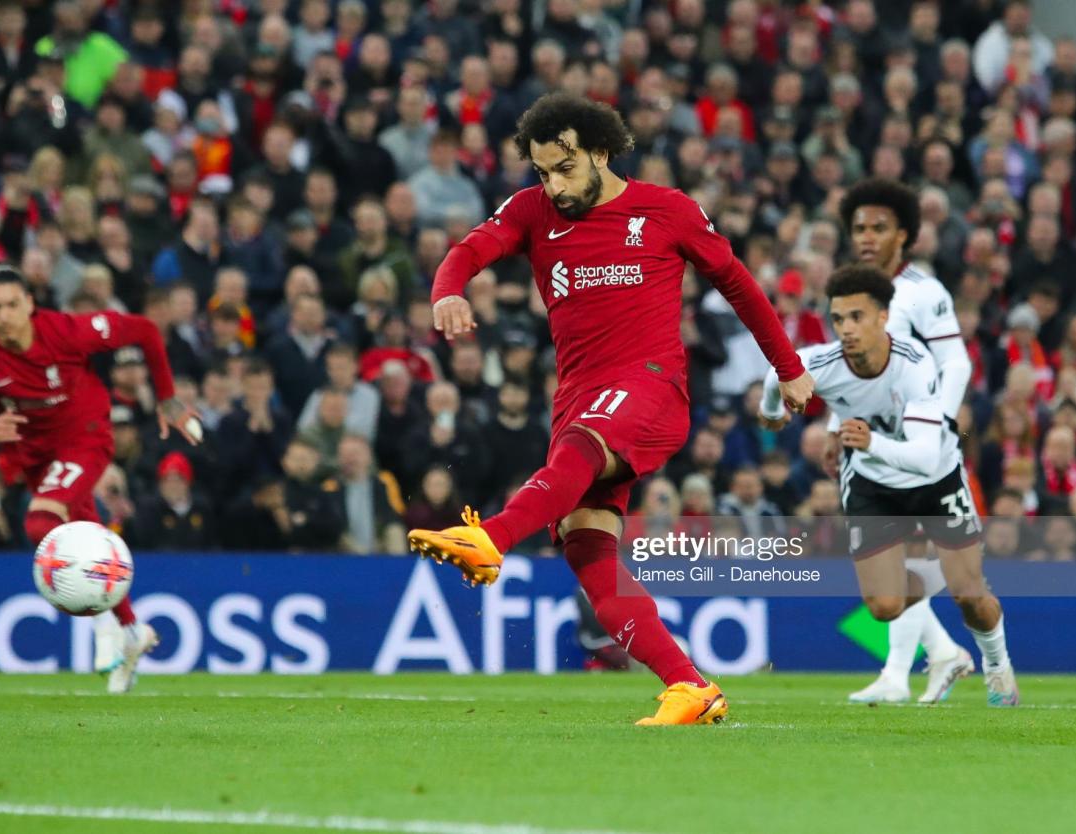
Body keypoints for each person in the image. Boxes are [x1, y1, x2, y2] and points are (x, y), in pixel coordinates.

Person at [407, 93, 815, 726]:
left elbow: (737, 283)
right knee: (585, 546)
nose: (554, 184)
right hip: (579, 395)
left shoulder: (666, 211)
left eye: (565, 168)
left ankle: (491, 536)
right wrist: (447, 291)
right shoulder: (532, 211)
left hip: (650, 387)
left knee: (582, 449)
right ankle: (690, 686)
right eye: (542, 171)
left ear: (600, 151)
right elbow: (466, 251)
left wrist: (788, 368)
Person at [761, 265, 1018, 707]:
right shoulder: (822, 362)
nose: (846, 329)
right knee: (883, 605)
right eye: (838, 319)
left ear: (883, 317)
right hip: (873, 485)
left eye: (857, 317)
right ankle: (944, 640)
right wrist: (771, 412)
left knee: (972, 598)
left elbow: (921, 456)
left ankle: (997, 667)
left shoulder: (915, 367)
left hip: (933, 479)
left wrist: (871, 441)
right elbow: (778, 373)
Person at [0, 266, 201, 694]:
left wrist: (168, 399)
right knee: (86, 532)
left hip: (85, 436)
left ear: (30, 305)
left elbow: (146, 330)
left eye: (11, 306)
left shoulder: (68, 331)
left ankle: (101, 626)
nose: (2, 316)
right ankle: (132, 630)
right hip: (34, 452)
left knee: (40, 524)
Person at [837, 177, 978, 704]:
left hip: (917, 446)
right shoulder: (851, 289)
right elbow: (854, 373)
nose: (867, 237)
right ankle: (937, 656)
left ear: (904, 234)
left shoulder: (923, 291)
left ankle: (903, 673)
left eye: (879, 228)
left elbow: (956, 361)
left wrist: (938, 421)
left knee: (907, 556)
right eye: (859, 229)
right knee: (892, 566)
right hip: (868, 444)